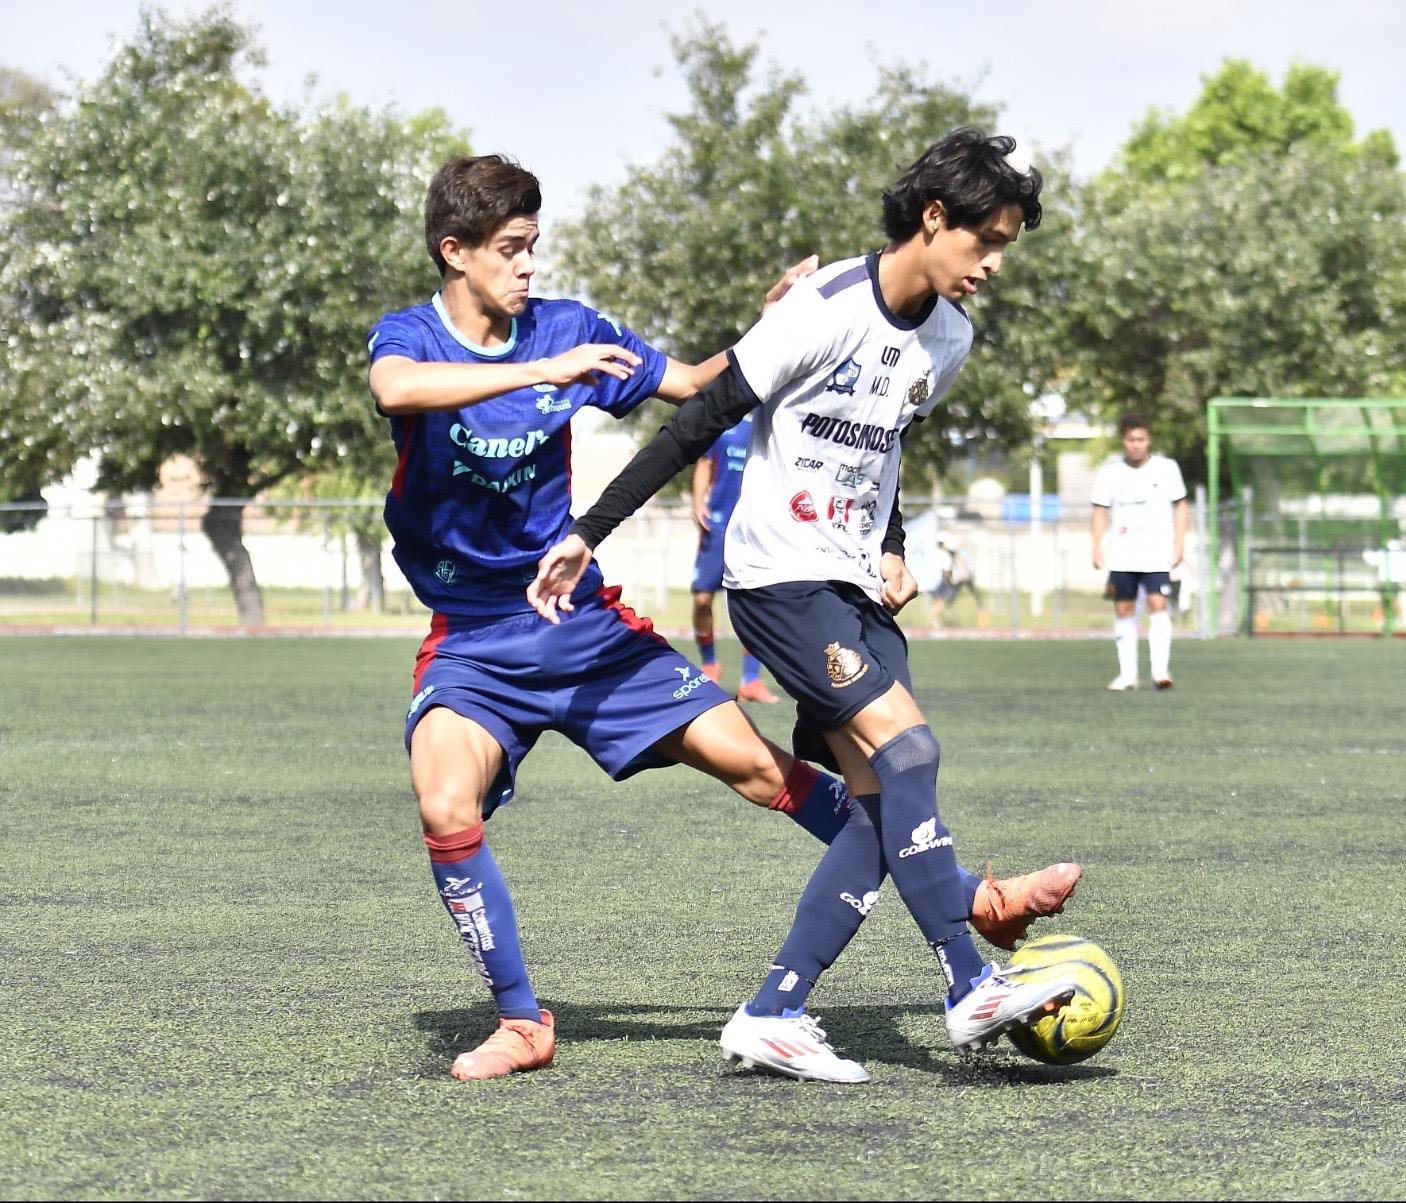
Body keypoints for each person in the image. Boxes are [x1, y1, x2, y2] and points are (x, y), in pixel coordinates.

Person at [366, 154, 1080, 1080]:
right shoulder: (416, 333)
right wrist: (547, 368)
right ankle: (522, 1023)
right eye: (509, 251)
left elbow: (705, 386)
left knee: (762, 768)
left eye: (534, 248)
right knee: (444, 803)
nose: (528, 267)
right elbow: (397, 389)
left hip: (582, 629)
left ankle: (967, 902)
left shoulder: (575, 326)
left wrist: (772, 323)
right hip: (472, 635)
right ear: (452, 251)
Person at [1090, 412, 1189, 691]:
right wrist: (1096, 546)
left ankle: (1160, 671)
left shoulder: (1167, 468)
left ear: (1149, 440)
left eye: (1141, 439)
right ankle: (1128, 674)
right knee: (1124, 608)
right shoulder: (1110, 473)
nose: (1136, 444)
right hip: (1123, 553)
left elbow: (1181, 505)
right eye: (1131, 439)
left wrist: (1179, 543)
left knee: (1158, 604)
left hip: (1157, 552)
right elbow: (1100, 511)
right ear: (1123, 440)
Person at [690, 414, 779, 703]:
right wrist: (697, 501)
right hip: (717, 526)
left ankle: (751, 680)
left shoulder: (769, 420)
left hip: (754, 528)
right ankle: (710, 665)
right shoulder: (724, 418)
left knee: (754, 603)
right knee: (702, 599)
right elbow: (704, 462)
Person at [929, 534, 979, 625]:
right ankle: (934, 620)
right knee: (941, 602)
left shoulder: (938, 553)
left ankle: (937, 619)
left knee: (940, 602)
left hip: (938, 581)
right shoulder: (944, 555)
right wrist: (951, 580)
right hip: (944, 582)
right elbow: (947, 570)